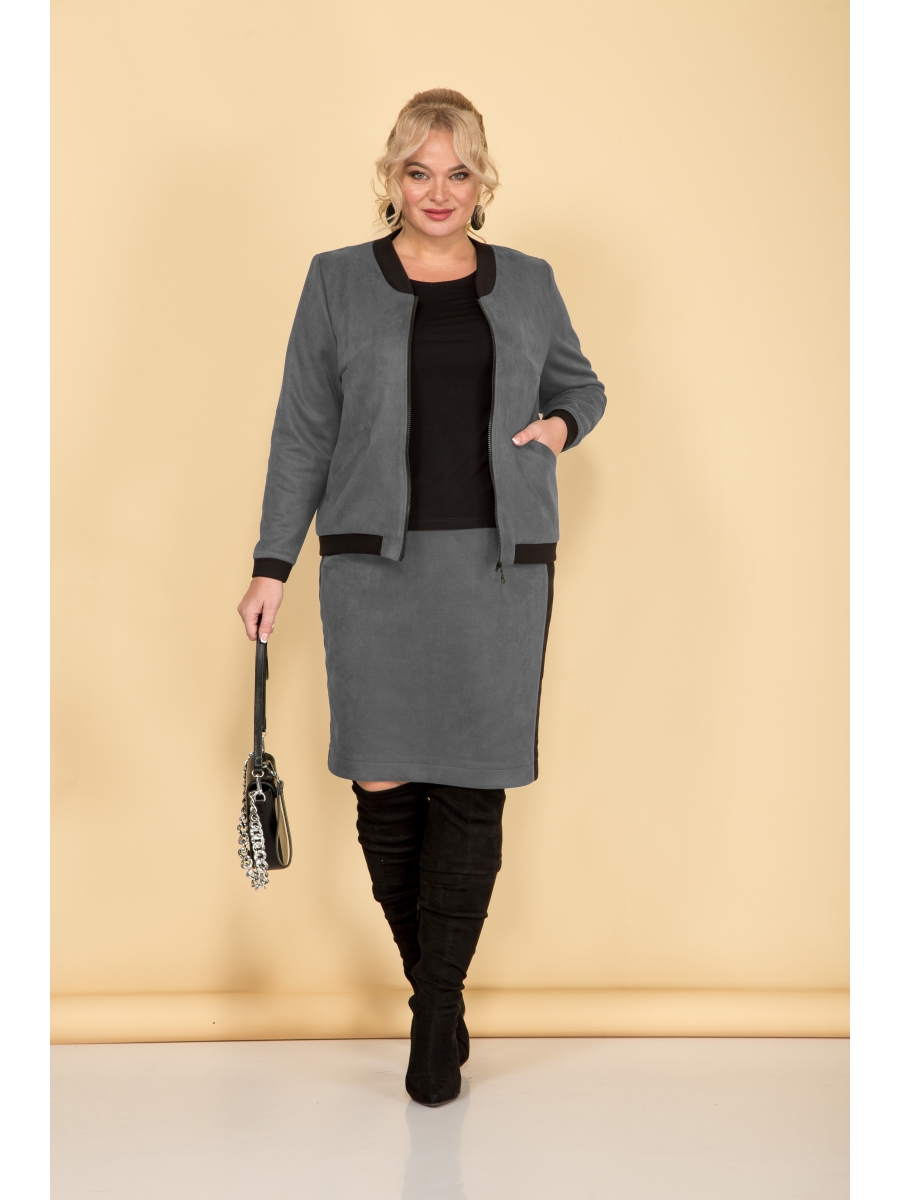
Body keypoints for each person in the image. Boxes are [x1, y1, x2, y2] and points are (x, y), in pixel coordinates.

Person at [237, 88, 607, 1106]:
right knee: (386, 785)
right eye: (418, 171)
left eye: (458, 172)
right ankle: (435, 990)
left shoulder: (528, 282)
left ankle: (434, 1013)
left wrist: (557, 430)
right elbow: (302, 430)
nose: (438, 192)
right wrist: (272, 563)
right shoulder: (335, 282)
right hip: (373, 571)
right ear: (392, 177)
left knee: (474, 785)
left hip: (498, 570)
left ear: (482, 183)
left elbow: (581, 388)